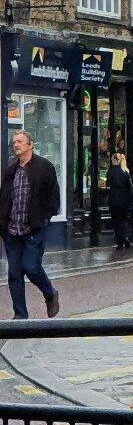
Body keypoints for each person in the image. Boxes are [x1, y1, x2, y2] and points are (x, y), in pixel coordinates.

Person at [0, 130, 61, 319]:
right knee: (14, 274)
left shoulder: (44, 167)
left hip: (33, 229)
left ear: (30, 144)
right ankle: (20, 316)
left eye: (19, 141)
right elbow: (3, 199)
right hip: (12, 231)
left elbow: (53, 198)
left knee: (31, 266)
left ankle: (50, 293)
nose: (16, 144)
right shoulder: (10, 171)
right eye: (14, 142)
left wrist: (44, 219)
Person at [106, 152, 133, 249]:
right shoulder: (125, 171)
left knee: (116, 222)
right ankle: (124, 238)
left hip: (114, 201)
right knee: (123, 221)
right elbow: (130, 189)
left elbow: (107, 185)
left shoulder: (111, 171)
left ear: (115, 160)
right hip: (124, 202)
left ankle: (120, 243)